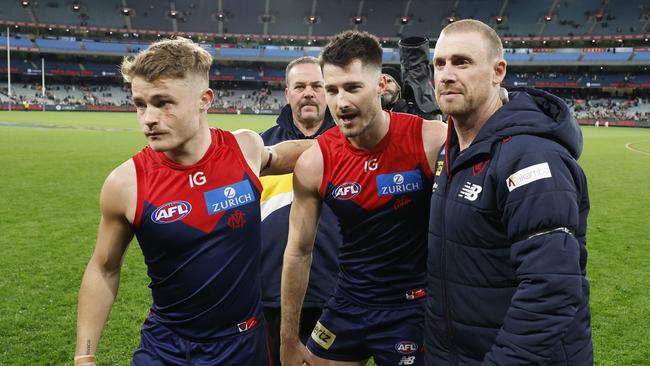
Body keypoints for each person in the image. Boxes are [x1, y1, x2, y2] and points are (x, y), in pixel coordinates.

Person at [74, 37, 313, 366]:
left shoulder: (243, 148)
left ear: (204, 99)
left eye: (163, 103)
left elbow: (282, 156)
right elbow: (104, 268)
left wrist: (353, 142)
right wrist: (84, 357)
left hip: (243, 345)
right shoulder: (125, 183)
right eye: (140, 104)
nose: (148, 118)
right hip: (166, 348)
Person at [426, 19, 593, 365]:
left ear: (497, 71)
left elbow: (550, 289)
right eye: (439, 63)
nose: (446, 74)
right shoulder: (453, 150)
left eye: (462, 62)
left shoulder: (532, 157)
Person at [280, 31, 447, 366]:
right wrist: (288, 339)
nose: (341, 102)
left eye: (353, 87)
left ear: (381, 85)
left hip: (414, 308)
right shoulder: (316, 162)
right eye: (332, 90)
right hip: (348, 305)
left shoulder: (430, 141)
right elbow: (298, 252)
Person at [259, 56, 341, 366]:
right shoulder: (262, 148)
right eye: (300, 86)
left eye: (317, 86)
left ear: (328, 91)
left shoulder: (353, 144)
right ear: (287, 93)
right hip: (271, 297)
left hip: (336, 295)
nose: (309, 92)